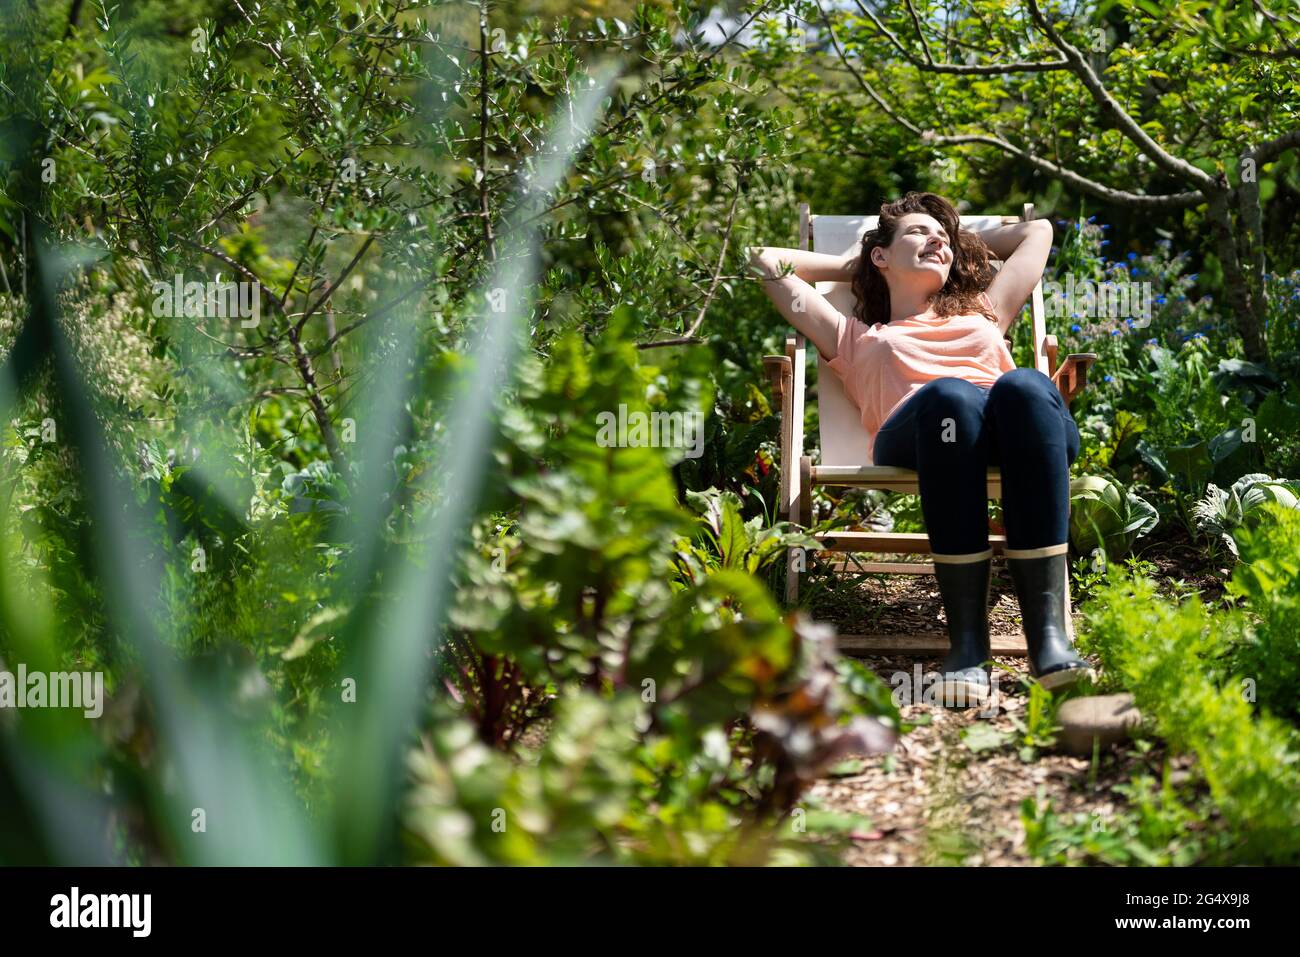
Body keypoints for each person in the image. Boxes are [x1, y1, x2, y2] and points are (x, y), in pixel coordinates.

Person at [748, 191, 1093, 706]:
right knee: (951, 397)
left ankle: (1048, 641)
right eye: (917, 232)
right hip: (925, 431)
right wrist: (851, 263)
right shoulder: (852, 336)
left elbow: (1037, 231)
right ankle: (969, 647)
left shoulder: (986, 311)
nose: (935, 240)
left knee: (1023, 385)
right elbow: (764, 261)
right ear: (880, 257)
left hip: (1016, 429)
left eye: (942, 237)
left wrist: (957, 241)